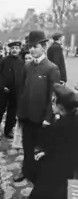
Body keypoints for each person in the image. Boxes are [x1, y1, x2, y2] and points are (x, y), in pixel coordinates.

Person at [14, 31, 60, 182]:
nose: (32, 49)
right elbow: (22, 91)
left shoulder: (51, 69)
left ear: (44, 46)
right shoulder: (27, 67)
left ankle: (39, 176)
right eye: (30, 47)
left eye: (35, 46)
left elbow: (53, 97)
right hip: (26, 114)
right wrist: (20, 111)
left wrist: (48, 117)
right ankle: (26, 170)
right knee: (26, 146)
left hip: (41, 117)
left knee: (39, 149)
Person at [28, 83, 78, 199]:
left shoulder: (60, 125)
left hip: (59, 170)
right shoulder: (70, 118)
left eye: (53, 101)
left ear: (60, 107)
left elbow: (54, 143)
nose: (51, 103)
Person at [0, 40, 25, 139]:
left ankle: (8, 130)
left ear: (19, 50)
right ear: (9, 49)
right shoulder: (4, 60)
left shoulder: (22, 62)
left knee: (12, 113)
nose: (14, 50)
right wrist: (2, 86)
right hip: (3, 91)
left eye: (16, 48)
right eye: (12, 48)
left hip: (15, 92)